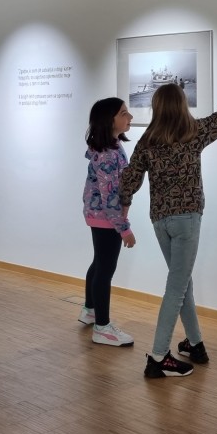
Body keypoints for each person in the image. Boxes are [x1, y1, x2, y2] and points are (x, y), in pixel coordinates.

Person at [120, 69, 217, 378]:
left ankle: (195, 344)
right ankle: (158, 357)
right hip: (187, 220)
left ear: (156, 107)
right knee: (177, 287)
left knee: (182, 282)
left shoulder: (147, 141)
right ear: (182, 105)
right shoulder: (194, 133)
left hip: (160, 221)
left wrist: (123, 212)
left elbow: (130, 182)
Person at [80, 98, 137, 346]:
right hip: (106, 218)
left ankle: (90, 310)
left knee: (99, 263)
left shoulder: (112, 147)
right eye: (124, 113)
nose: (130, 117)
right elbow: (110, 197)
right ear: (109, 120)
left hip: (100, 215)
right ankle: (102, 327)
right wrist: (125, 229)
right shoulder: (107, 155)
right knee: (105, 269)